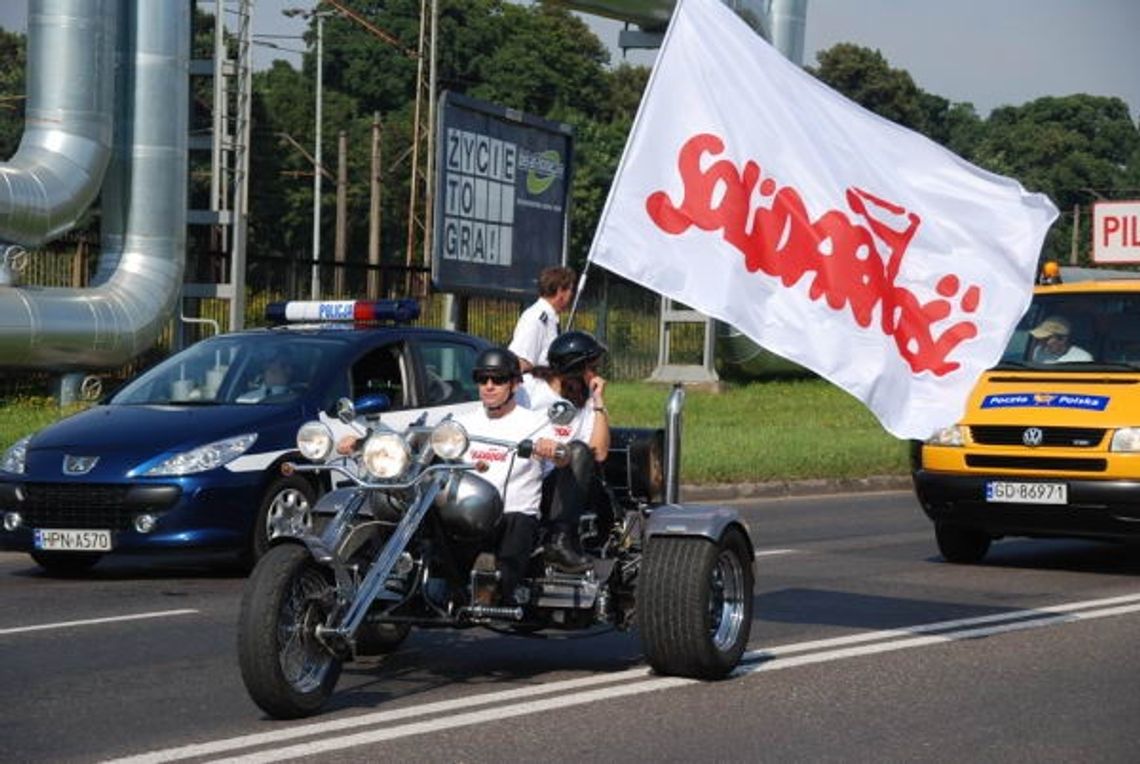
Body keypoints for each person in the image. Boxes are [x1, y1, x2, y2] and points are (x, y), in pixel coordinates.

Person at [452, 347, 569, 604]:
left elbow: (563, 457)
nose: (489, 386)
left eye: (499, 379)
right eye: (483, 380)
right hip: (469, 515)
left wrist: (552, 449)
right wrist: (362, 442)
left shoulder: (535, 423)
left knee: (516, 523)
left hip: (513, 515)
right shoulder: (463, 422)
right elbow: (423, 442)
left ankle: (494, 587)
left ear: (515, 384)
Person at [520, 331, 610, 572]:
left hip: (557, 485)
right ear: (574, 368)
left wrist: (599, 402)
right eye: (591, 367)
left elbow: (599, 453)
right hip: (521, 474)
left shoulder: (586, 401)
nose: (595, 374)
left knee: (579, 451)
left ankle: (558, 539)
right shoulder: (529, 388)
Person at [508, 265, 576, 373]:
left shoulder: (549, 318)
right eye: (570, 290)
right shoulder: (536, 319)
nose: (571, 295)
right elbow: (520, 361)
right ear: (560, 291)